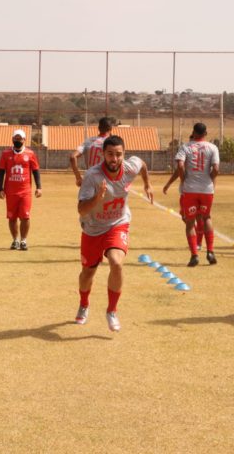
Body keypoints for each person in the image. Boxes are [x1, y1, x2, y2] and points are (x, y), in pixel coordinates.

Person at [75, 135, 153, 332]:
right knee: (87, 273)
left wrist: (147, 184)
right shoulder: (92, 176)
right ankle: (84, 304)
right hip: (93, 228)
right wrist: (97, 198)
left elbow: (142, 163)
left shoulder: (129, 167)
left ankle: (112, 310)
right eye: (110, 154)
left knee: (116, 263)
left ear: (123, 155)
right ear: (103, 154)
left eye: (119, 154)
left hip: (118, 223)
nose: (114, 159)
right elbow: (81, 210)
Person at [173, 123, 220, 267]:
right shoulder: (212, 147)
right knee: (206, 217)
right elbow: (216, 168)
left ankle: (194, 255)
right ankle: (210, 251)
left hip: (190, 189)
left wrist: (183, 179)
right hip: (206, 189)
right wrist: (209, 180)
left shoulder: (186, 147)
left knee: (190, 222)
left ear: (193, 132)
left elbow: (180, 165)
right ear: (206, 133)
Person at [0, 129, 42, 250]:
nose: (18, 140)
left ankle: (23, 240)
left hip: (25, 192)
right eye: (16, 138)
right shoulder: (6, 154)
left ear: (24, 139)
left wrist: (39, 187)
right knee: (12, 217)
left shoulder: (30, 154)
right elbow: (1, 171)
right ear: (12, 139)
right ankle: (15, 240)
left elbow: (36, 171)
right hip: (10, 192)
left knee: (25, 217)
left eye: (20, 138)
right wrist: (0, 189)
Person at [69, 117, 113, 187]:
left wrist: (78, 178)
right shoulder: (111, 143)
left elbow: (72, 157)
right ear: (111, 129)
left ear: (98, 128)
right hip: (105, 181)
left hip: (89, 180)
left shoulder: (88, 141)